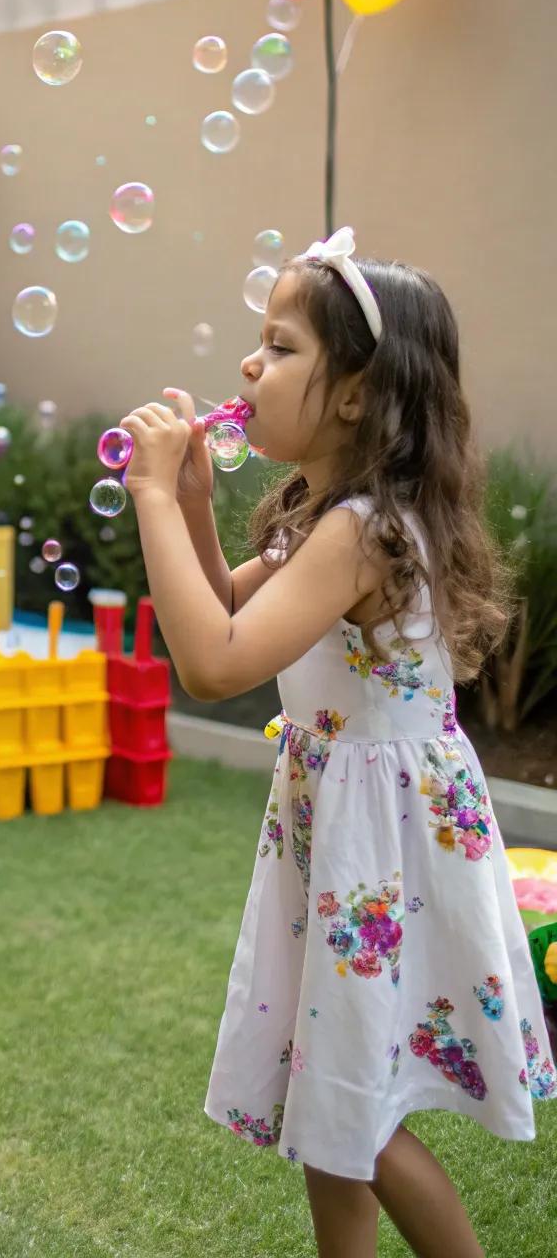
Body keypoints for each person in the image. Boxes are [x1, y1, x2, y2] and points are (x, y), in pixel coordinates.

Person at [119, 228, 556, 1258]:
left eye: (278, 347)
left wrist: (146, 497)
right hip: (345, 825)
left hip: (380, 844)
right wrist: (187, 506)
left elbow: (216, 662)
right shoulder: (323, 514)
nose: (247, 366)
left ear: (356, 393)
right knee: (329, 1112)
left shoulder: (363, 530)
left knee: (354, 1104)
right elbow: (226, 605)